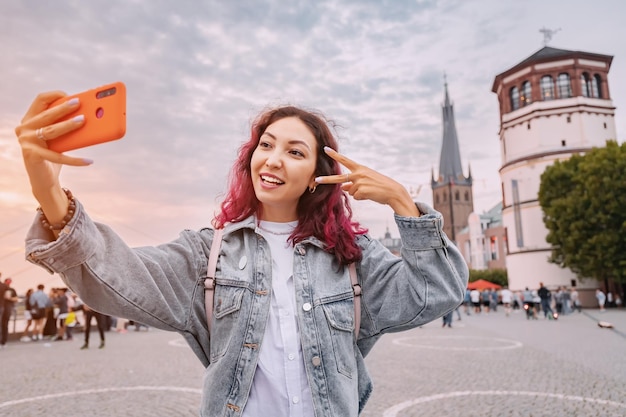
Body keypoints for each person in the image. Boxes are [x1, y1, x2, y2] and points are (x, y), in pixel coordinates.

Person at [17, 95, 468, 416]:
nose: (272, 159)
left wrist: (403, 205)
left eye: (295, 152)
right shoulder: (207, 254)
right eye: (265, 145)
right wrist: (49, 191)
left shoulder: (351, 256)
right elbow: (118, 277)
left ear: (318, 175)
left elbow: (437, 291)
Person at [1, 278, 19, 348]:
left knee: (5, 324)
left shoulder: (11, 290)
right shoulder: (3, 287)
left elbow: (16, 298)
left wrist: (10, 298)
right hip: (4, 308)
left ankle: (3, 341)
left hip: (7, 309)